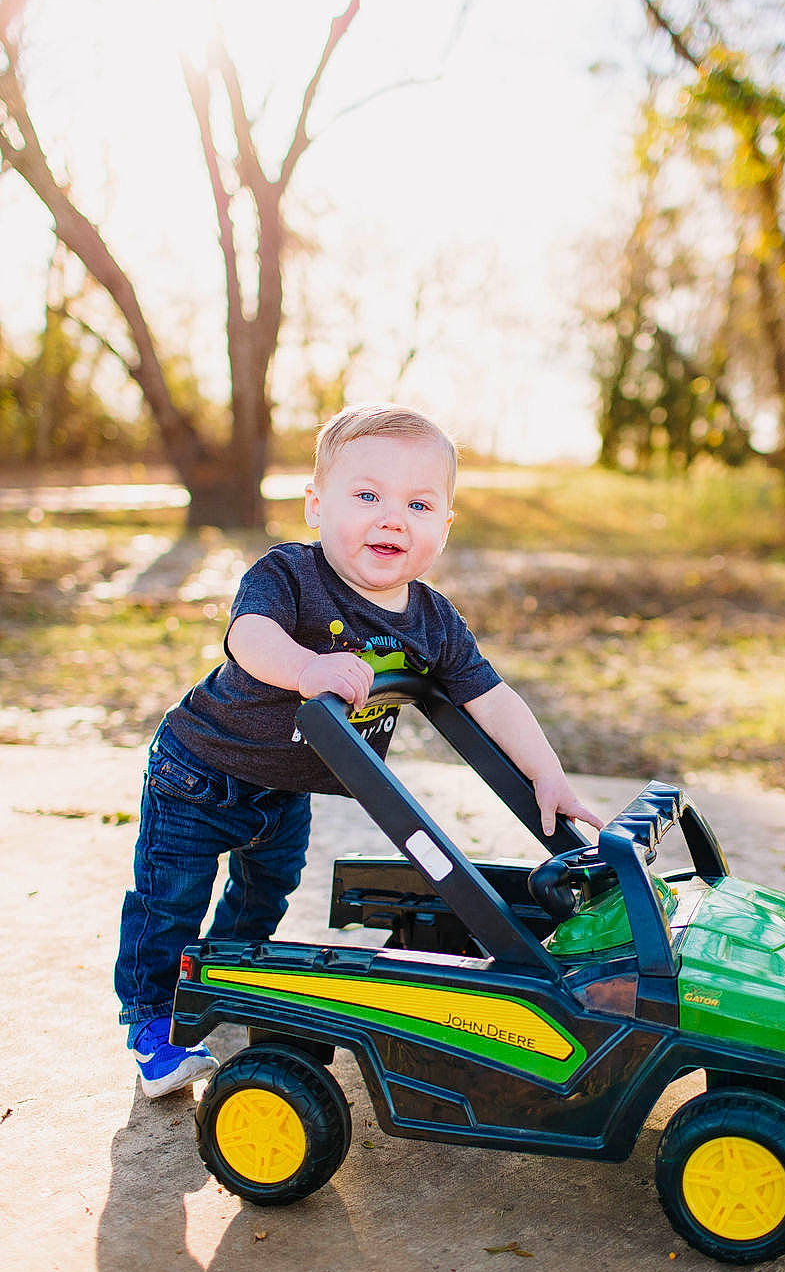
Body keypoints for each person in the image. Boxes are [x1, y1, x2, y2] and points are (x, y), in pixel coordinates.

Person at [115, 402, 602, 1097]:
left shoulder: (433, 622)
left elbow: (493, 700)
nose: (392, 518)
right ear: (317, 505)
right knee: (170, 901)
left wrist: (547, 775)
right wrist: (306, 669)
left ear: (445, 526)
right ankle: (150, 1021)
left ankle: (216, 975)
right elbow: (248, 637)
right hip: (199, 772)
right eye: (368, 496)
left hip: (284, 792)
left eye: (418, 504)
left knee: (265, 894)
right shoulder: (289, 575)